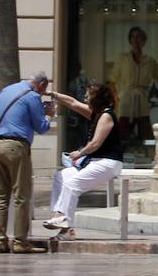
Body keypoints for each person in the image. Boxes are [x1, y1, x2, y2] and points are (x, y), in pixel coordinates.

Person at [43, 84, 125, 238]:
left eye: (88, 96)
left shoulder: (106, 115)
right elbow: (72, 103)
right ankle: (64, 224)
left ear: (97, 99)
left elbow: (95, 143)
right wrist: (52, 94)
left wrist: (79, 153)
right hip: (95, 161)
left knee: (72, 185)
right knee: (61, 177)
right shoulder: (96, 113)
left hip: (108, 163)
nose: (85, 99)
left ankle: (61, 219)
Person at [0, 72, 54, 253]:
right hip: (16, 147)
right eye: (44, 90)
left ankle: (0, 242)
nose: (43, 93)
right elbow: (41, 127)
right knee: (21, 195)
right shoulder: (33, 96)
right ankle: (20, 242)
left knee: (0, 196)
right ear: (41, 85)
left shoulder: (7, 90)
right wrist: (49, 114)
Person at [110, 26, 158, 144]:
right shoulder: (123, 59)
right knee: (123, 130)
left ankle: (147, 154)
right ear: (130, 40)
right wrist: (116, 99)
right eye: (133, 37)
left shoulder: (151, 62)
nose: (136, 40)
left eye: (139, 37)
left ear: (144, 40)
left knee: (145, 130)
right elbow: (112, 80)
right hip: (125, 100)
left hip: (143, 100)